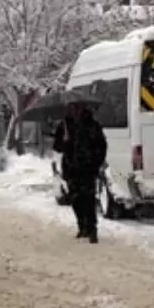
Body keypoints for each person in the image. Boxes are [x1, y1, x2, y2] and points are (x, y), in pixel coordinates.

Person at [63, 104, 107, 244]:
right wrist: (63, 142)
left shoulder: (93, 126)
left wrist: (95, 163)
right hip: (72, 169)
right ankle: (82, 225)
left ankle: (92, 229)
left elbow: (102, 146)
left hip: (88, 170)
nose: (75, 112)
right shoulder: (66, 126)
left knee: (88, 199)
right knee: (76, 200)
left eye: (77, 109)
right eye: (73, 110)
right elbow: (59, 147)